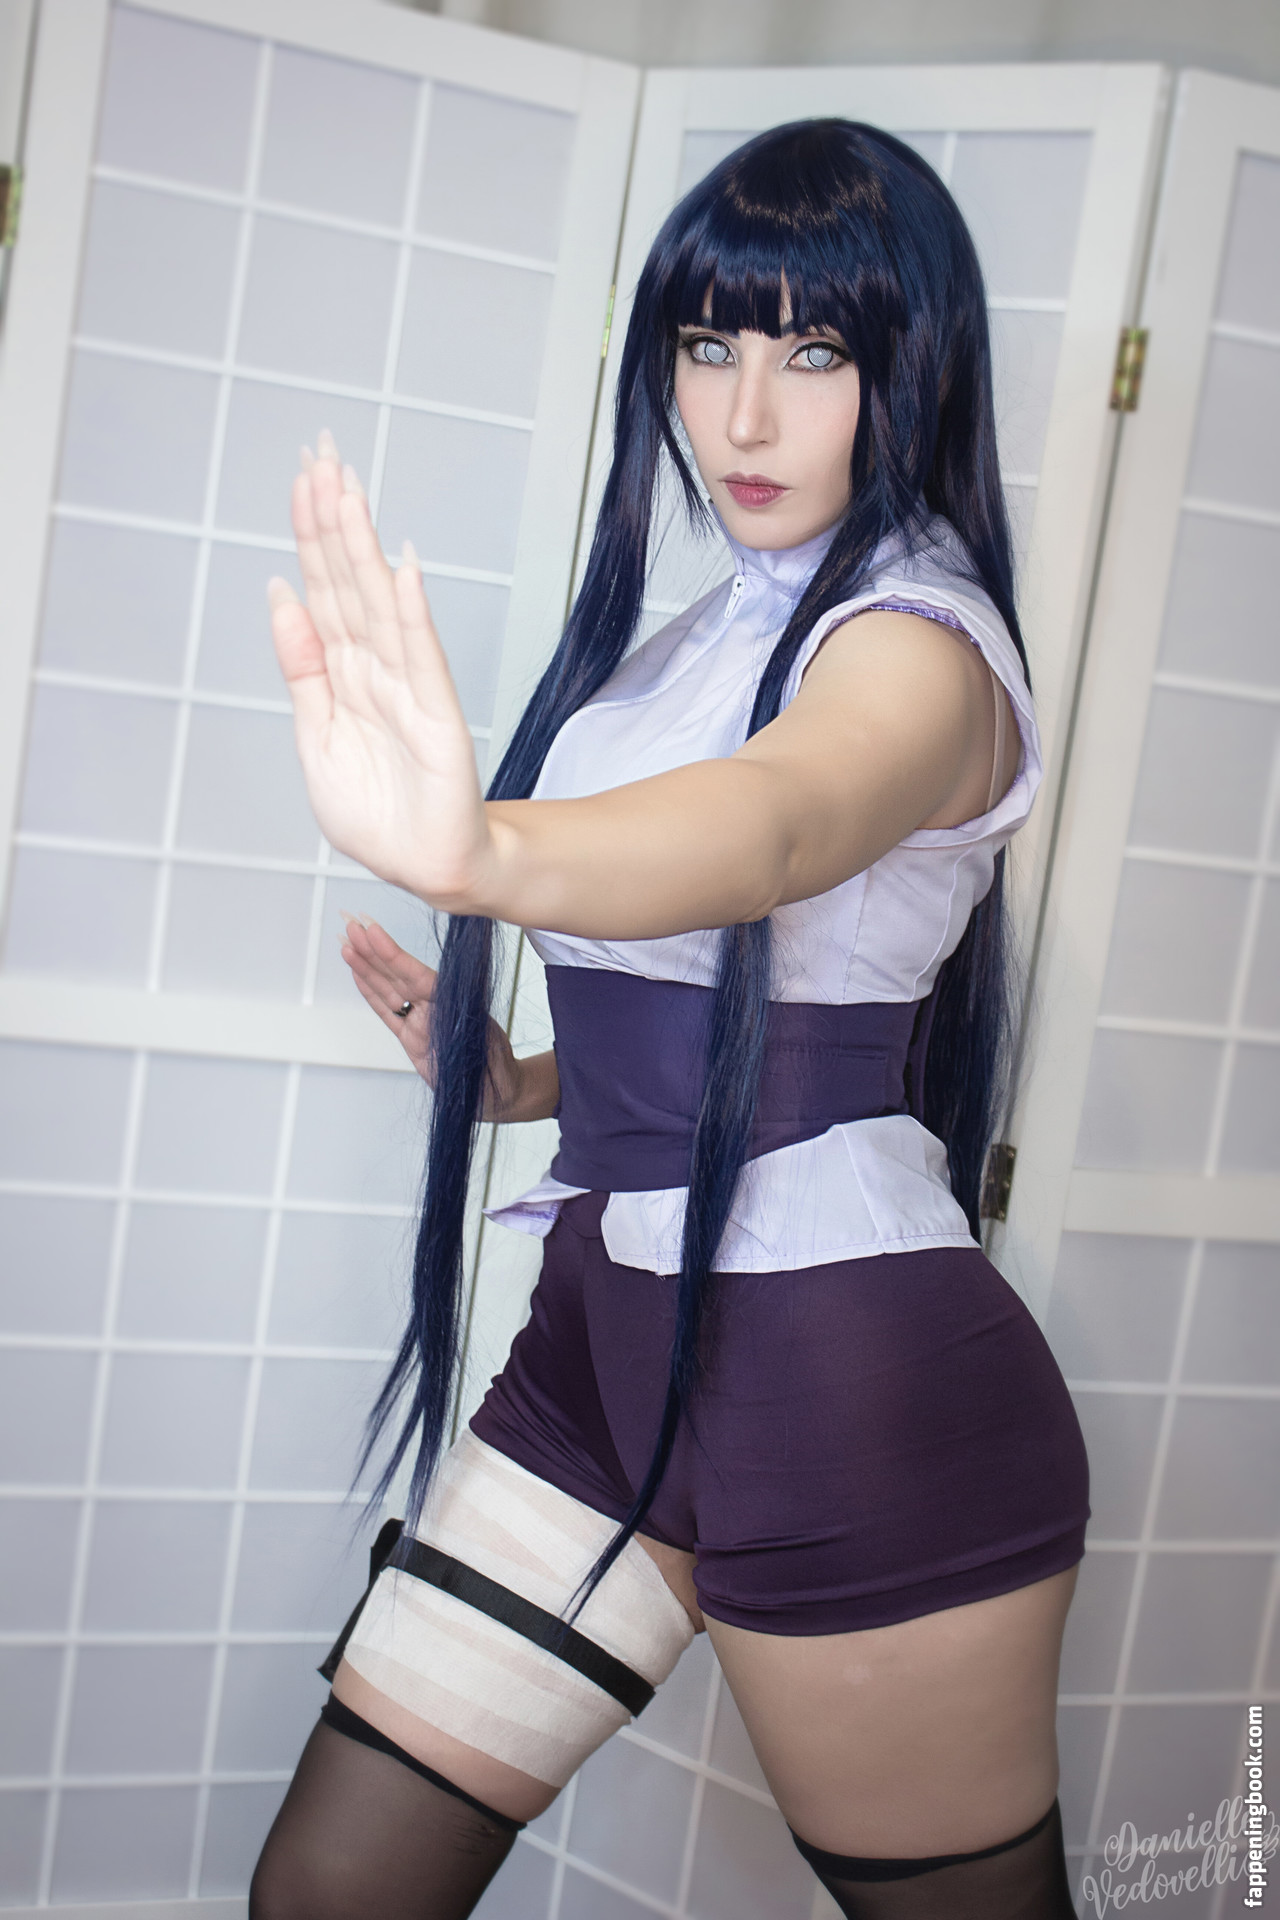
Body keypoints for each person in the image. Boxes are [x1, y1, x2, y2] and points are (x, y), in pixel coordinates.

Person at [249, 119, 1090, 1919]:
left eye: (815, 351)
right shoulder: (687, 637)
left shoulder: (923, 646)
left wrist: (479, 850)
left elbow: (774, 830)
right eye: (710, 345)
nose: (745, 414)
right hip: (603, 1347)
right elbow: (727, 999)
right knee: (333, 1891)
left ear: (913, 371)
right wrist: (526, 1082)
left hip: (845, 1385)